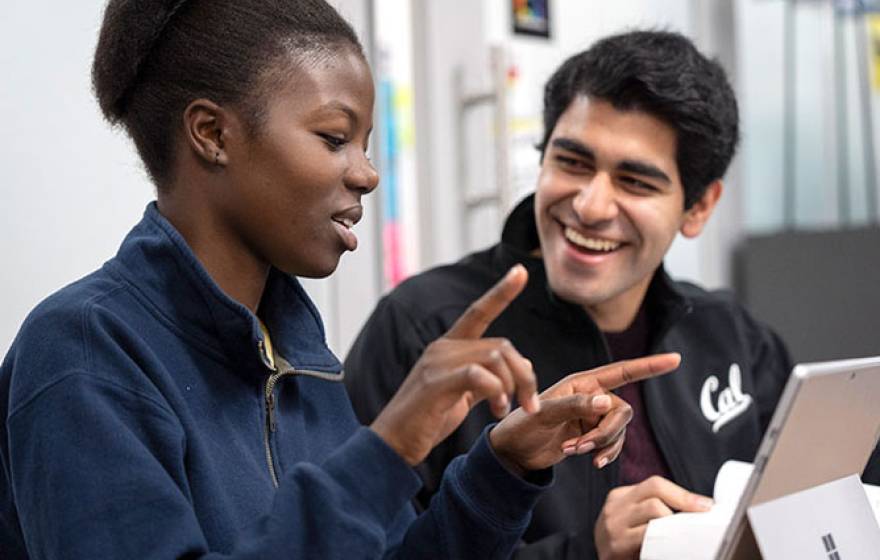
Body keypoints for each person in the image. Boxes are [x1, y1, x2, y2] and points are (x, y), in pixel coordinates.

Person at [0, 4, 683, 558]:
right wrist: (386, 449)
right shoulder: (83, 353)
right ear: (212, 133)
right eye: (334, 138)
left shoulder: (302, 353)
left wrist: (500, 466)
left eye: (365, 143)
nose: (365, 173)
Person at [345, 29, 854, 559]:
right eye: (572, 162)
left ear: (699, 207)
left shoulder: (734, 339)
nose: (590, 205)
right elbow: (365, 551)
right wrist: (590, 552)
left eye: (635, 182)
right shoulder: (425, 329)